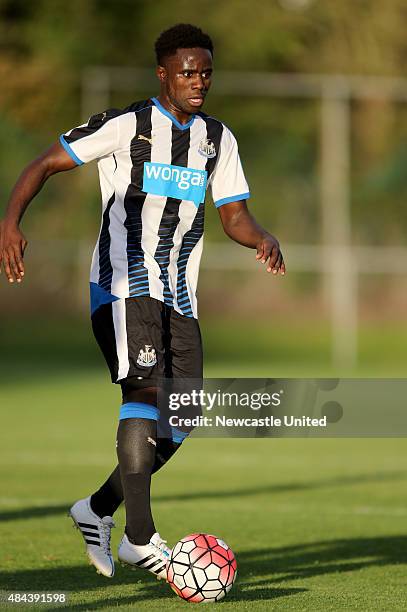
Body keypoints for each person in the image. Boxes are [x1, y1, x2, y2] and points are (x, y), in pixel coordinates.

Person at [0, 23, 285, 581]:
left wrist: (263, 237)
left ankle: (96, 510)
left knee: (182, 416)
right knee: (146, 393)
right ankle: (139, 536)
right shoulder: (126, 124)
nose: (197, 80)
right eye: (186, 72)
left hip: (180, 295)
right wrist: (10, 223)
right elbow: (43, 164)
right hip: (124, 283)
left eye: (204, 71)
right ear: (163, 74)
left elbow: (234, 215)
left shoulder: (217, 139)